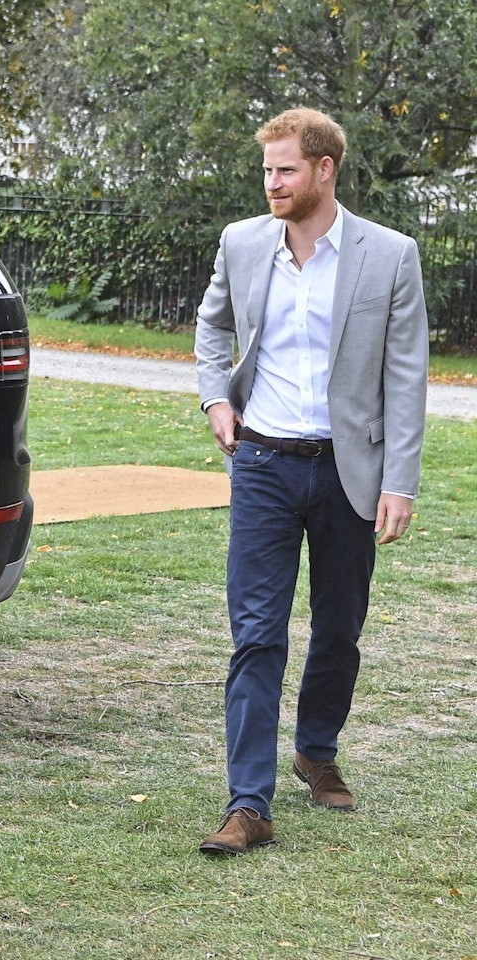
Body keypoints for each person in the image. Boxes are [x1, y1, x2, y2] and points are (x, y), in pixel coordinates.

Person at [194, 108, 428, 856]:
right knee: (256, 635)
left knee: (338, 628)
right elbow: (212, 325)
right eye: (267, 170)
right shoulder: (242, 243)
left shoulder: (390, 256)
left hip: (347, 469)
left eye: (286, 169)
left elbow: (406, 376)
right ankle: (247, 804)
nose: (272, 183)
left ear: (325, 170)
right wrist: (216, 396)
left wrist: (401, 480)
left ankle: (316, 748)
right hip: (261, 463)